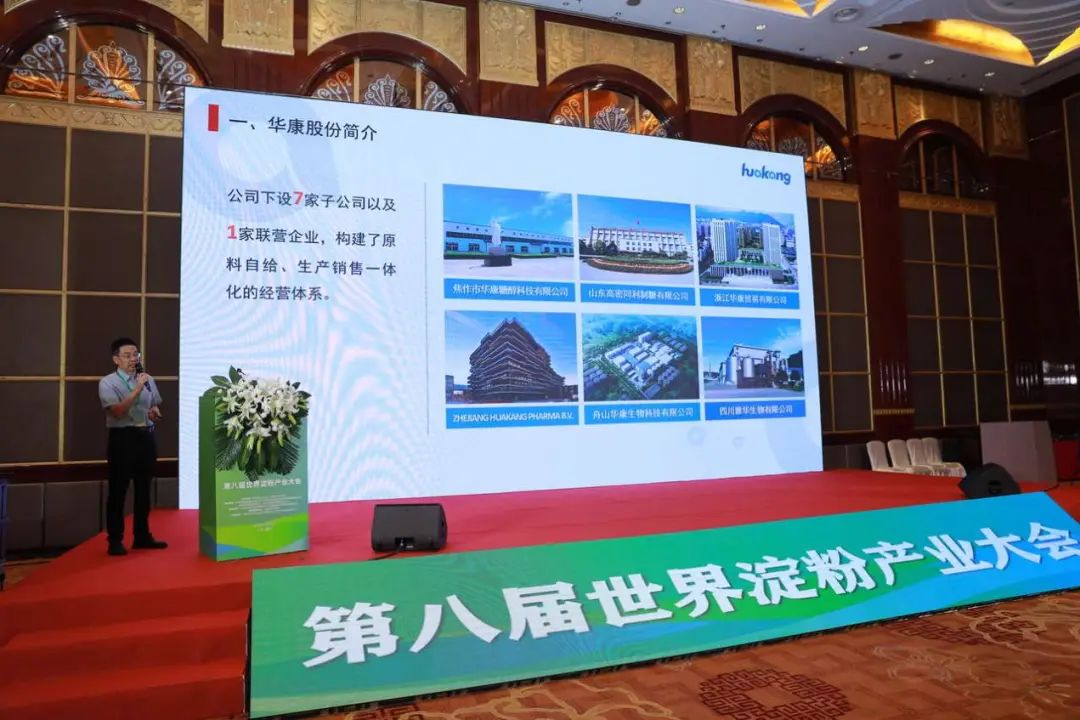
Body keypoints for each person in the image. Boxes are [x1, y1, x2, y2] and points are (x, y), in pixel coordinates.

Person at [98, 338, 168, 556]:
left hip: (145, 436)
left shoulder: (147, 379)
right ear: (116, 359)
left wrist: (154, 412)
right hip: (122, 438)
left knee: (144, 489)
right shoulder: (108, 382)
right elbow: (117, 411)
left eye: (136, 354)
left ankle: (142, 536)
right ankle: (115, 540)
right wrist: (137, 389)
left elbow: (153, 404)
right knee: (118, 490)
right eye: (127, 355)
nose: (133, 359)